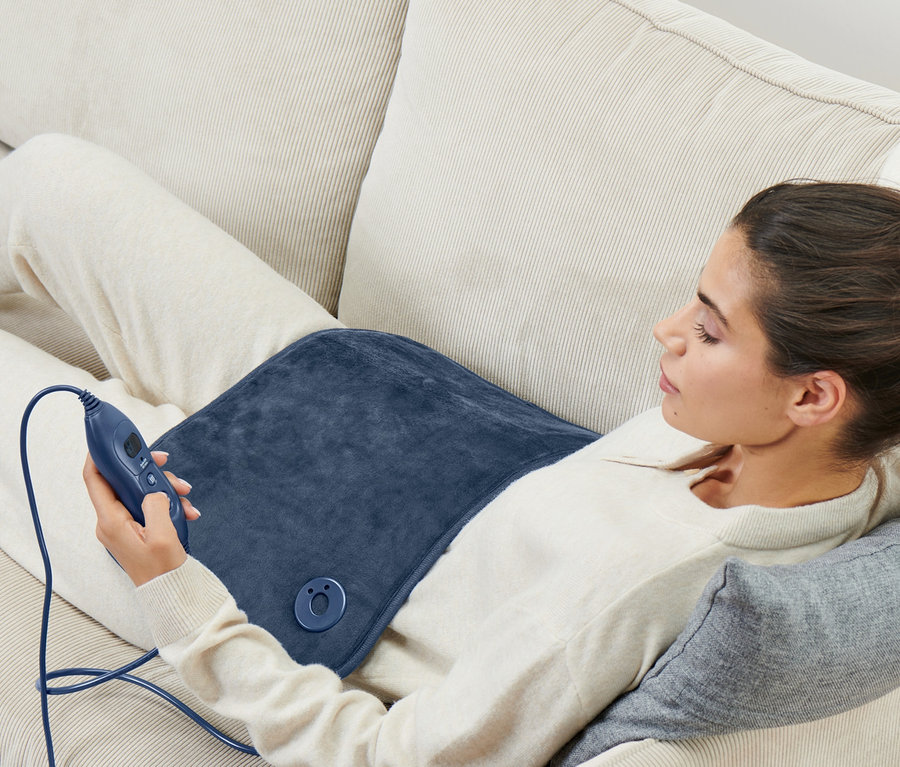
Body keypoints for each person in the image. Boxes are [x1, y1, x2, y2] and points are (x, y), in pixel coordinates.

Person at [3, 135, 900, 766]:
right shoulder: (847, 443)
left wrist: (176, 592)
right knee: (47, 176)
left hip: (266, 566)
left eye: (706, 328)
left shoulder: (629, 591)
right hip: (368, 406)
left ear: (815, 394)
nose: (664, 332)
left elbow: (384, 756)